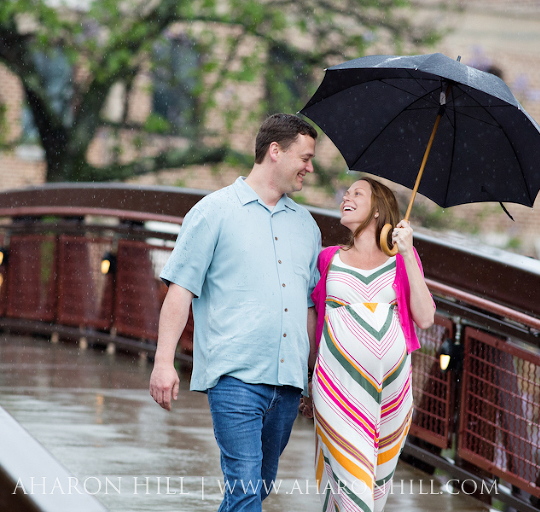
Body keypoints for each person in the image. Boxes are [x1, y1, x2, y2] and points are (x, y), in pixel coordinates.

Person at [149, 113, 322, 512]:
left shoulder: (307, 226)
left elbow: (310, 308)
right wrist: (163, 362)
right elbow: (180, 291)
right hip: (235, 378)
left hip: (288, 382)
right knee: (245, 488)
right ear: (275, 152)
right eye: (306, 157)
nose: (310, 168)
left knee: (257, 488)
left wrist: (311, 377)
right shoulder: (214, 212)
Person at [300, 176, 435, 512]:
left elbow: (426, 317)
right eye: (346, 192)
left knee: (374, 491)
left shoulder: (403, 257)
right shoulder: (327, 259)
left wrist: (407, 252)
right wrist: (306, 378)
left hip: (392, 392)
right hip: (336, 388)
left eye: (357, 193)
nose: (346, 196)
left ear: (377, 211)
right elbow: (311, 319)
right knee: (354, 490)